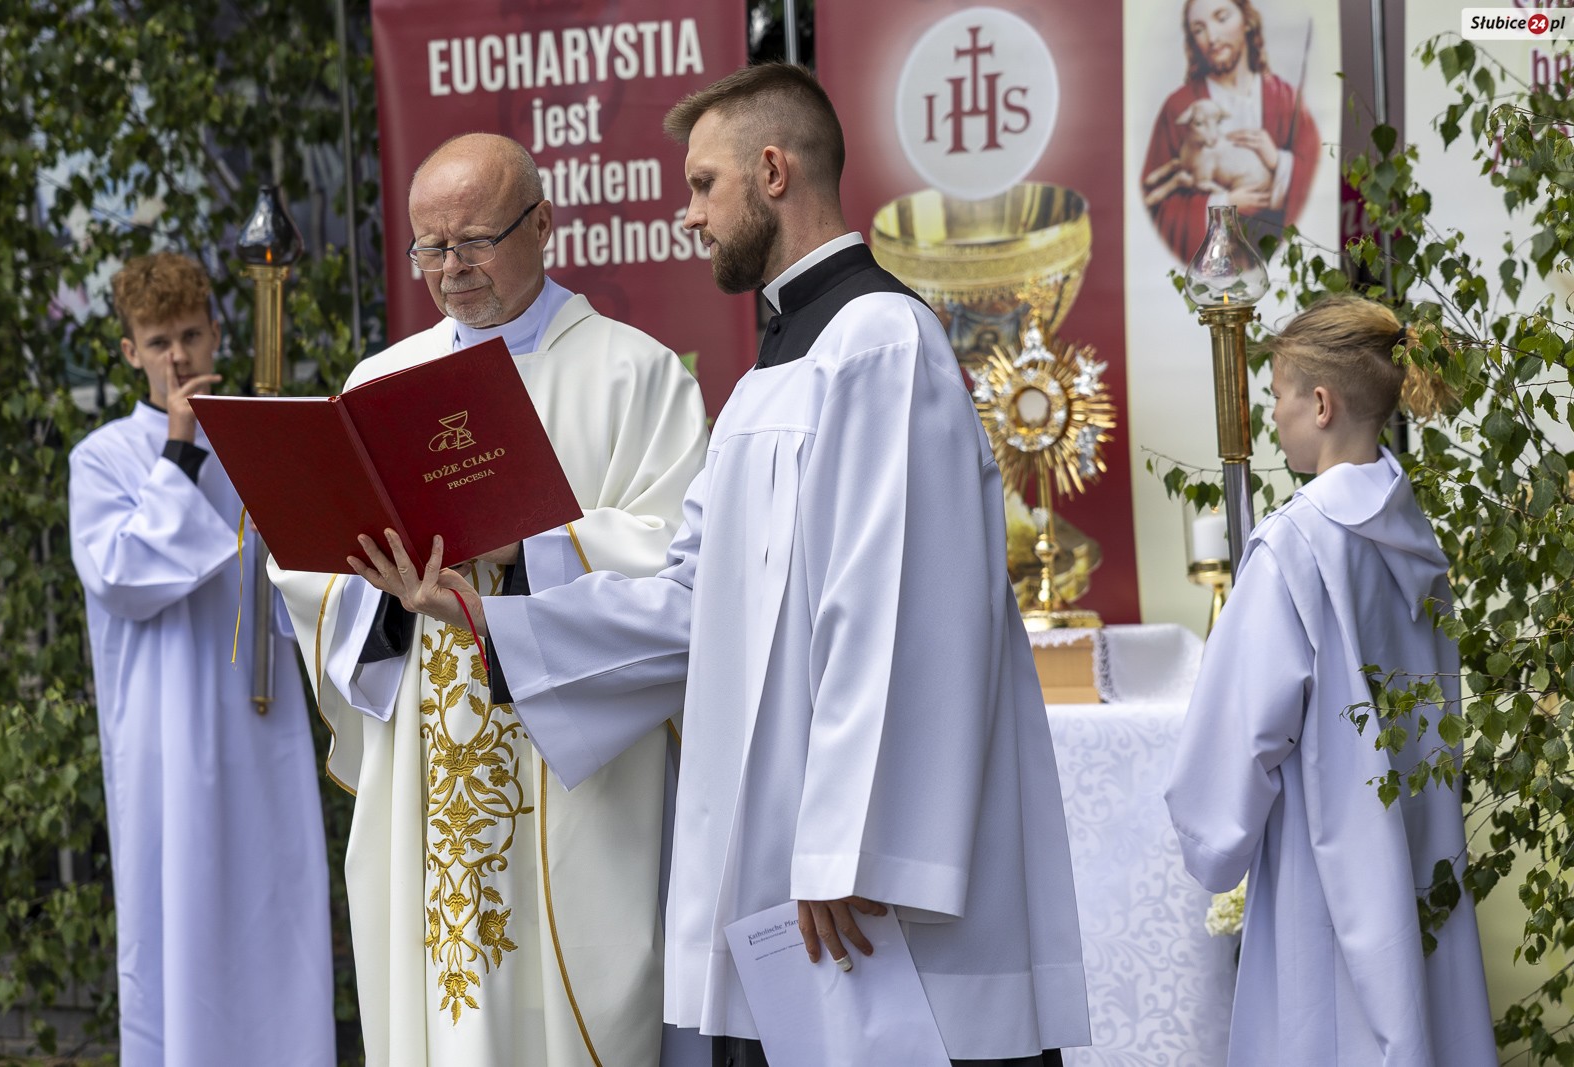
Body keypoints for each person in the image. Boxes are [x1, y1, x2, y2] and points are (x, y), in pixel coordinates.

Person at [353, 63, 1091, 1067]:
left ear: (773, 172)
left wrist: (845, 847)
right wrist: (485, 619)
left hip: (856, 882)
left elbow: (898, 617)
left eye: (704, 184)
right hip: (789, 868)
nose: (689, 212)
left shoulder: (878, 342)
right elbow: (691, 601)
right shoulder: (772, 373)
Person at [269, 133, 709, 1067]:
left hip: (574, 785)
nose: (450, 269)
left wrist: (524, 546)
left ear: (542, 224)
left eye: (472, 241)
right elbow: (311, 574)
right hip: (427, 767)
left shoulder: (635, 374)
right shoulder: (380, 381)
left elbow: (682, 565)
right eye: (429, 248)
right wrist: (384, 585)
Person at [1164, 295, 1496, 1065]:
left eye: (1278, 394)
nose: (1273, 415)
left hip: (1323, 866)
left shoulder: (1294, 546)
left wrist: (1214, 842)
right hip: (1420, 848)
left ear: (1320, 404)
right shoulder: (1419, 540)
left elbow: (1238, 735)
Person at [68, 252, 335, 1067]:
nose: (178, 357)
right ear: (130, 353)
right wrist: (181, 446)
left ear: (218, 331)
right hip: (167, 738)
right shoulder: (103, 457)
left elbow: (309, 570)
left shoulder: (255, 441)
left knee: (276, 913)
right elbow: (122, 576)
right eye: (158, 342)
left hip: (262, 725)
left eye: (190, 334)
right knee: (178, 922)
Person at [1141, 0, 1321, 262]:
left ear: (1247, 21)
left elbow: (1317, 179)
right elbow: (1158, 209)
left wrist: (1278, 161)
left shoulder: (1286, 99)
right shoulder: (1178, 107)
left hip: (1274, 255)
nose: (1212, 37)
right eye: (1199, 29)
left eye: (1222, 18)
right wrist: (1224, 202)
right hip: (1213, 261)